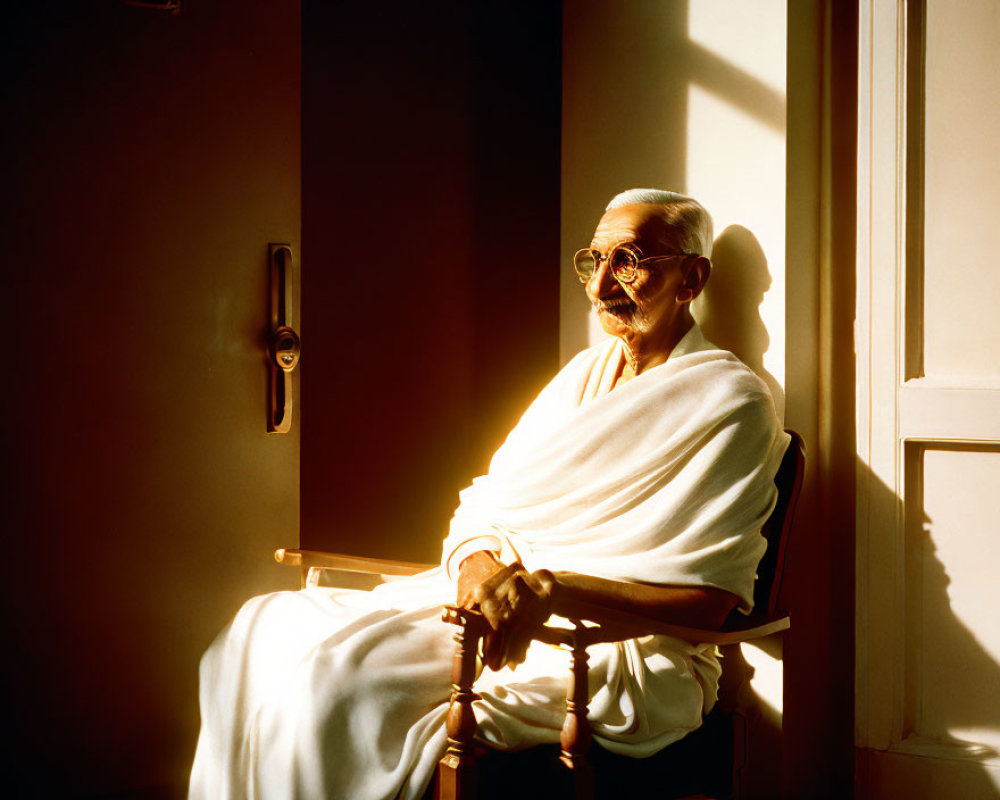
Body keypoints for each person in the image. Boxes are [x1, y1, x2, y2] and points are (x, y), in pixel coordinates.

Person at [189, 189, 789, 800]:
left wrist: (551, 590)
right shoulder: (583, 374)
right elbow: (486, 501)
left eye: (628, 260)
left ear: (692, 278)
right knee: (255, 630)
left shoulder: (731, 402)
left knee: (339, 685)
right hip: (496, 606)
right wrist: (480, 569)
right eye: (593, 260)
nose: (600, 284)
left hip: (603, 648)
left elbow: (710, 603)